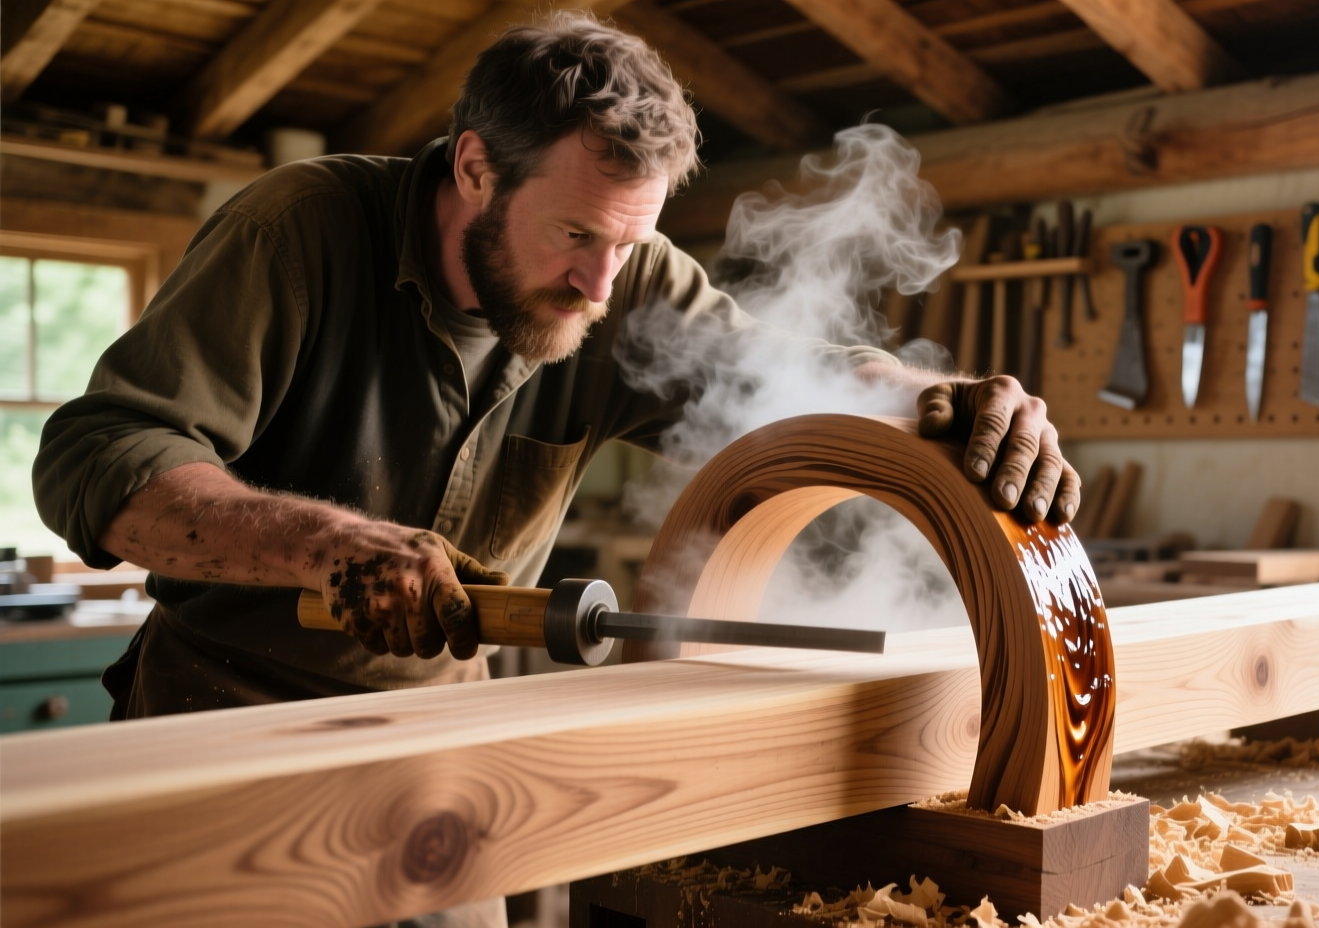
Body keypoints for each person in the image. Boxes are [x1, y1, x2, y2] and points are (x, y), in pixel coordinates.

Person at [33, 14, 1077, 923]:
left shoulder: (621, 281)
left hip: (438, 745)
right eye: (575, 233)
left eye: (629, 243)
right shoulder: (296, 230)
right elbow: (99, 458)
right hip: (224, 726)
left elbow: (781, 382)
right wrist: (328, 546)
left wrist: (929, 402)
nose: (598, 282)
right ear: (475, 167)